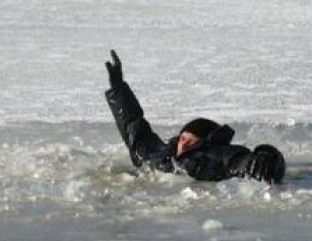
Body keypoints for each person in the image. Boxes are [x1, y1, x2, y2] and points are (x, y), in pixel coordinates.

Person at [105, 50, 285, 184]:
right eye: (183, 138)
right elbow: (135, 128)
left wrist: (266, 157)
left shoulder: (218, 155)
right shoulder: (160, 153)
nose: (184, 144)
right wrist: (119, 89)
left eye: (192, 141)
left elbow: (243, 161)